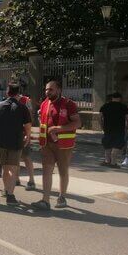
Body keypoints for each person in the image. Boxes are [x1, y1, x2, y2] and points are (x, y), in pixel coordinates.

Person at [32, 80, 81, 210]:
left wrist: (59, 129)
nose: (47, 92)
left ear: (59, 90)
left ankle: (62, 197)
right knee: (46, 171)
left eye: (51, 89)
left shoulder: (69, 104)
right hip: (47, 144)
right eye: (46, 89)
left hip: (63, 145)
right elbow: (43, 123)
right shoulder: (44, 104)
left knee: (62, 171)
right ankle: (45, 200)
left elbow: (77, 123)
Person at [0, 83, 32, 205]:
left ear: (8, 93)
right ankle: (10, 195)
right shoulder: (22, 107)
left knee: (4, 167)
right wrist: (27, 137)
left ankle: (5, 190)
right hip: (16, 142)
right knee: (13, 168)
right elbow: (28, 126)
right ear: (18, 93)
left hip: (2, 141)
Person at [99, 92, 128, 167]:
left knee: (107, 144)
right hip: (119, 130)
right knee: (117, 145)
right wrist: (127, 129)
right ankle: (113, 163)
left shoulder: (105, 106)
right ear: (120, 98)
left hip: (107, 129)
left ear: (112, 98)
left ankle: (107, 161)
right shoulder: (123, 107)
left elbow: (99, 117)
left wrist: (102, 127)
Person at [14, 92, 36, 190]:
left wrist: (28, 133)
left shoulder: (26, 100)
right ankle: (16, 178)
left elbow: (30, 117)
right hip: (14, 133)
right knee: (16, 157)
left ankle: (31, 181)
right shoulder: (8, 100)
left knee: (26, 156)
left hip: (23, 132)